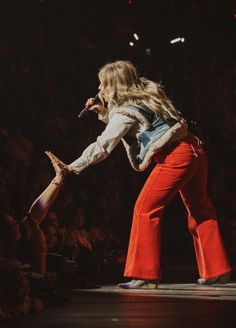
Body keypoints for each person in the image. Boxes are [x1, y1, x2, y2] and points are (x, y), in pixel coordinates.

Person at [46, 60, 231, 289]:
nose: (99, 89)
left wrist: (72, 166)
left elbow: (104, 144)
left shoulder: (124, 112)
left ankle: (145, 275)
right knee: (200, 208)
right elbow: (134, 123)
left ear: (113, 85)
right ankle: (218, 270)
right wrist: (104, 113)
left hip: (176, 156)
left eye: (102, 84)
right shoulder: (144, 96)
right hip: (194, 149)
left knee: (145, 210)